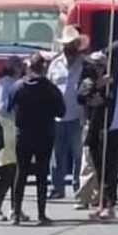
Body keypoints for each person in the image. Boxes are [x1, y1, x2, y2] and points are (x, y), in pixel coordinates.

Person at [10, 53, 65, 225]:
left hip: (23, 134)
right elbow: (61, 112)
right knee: (42, 174)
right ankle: (41, 214)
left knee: (21, 173)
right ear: (44, 68)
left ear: (29, 66)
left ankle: (16, 213)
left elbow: (9, 106)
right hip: (44, 134)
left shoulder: (18, 86)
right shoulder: (50, 88)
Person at [79, 50, 118, 219]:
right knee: (98, 168)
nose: (96, 68)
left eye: (99, 65)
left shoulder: (115, 82)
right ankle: (101, 202)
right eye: (94, 65)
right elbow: (81, 96)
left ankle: (110, 204)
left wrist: (105, 97)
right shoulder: (88, 81)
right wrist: (96, 87)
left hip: (111, 129)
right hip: (94, 129)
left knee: (110, 168)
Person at [47, 25, 88, 199]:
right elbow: (49, 88)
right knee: (57, 155)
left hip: (78, 116)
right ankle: (57, 187)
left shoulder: (85, 64)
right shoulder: (55, 64)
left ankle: (79, 187)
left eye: (71, 44)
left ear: (77, 45)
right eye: (66, 45)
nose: (68, 48)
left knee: (79, 155)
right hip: (57, 117)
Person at [0, 59, 24, 221]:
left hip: (15, 132)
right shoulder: (4, 84)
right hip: (6, 133)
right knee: (8, 172)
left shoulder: (14, 83)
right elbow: (1, 108)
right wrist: (18, 112)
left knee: (16, 172)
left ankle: (15, 208)